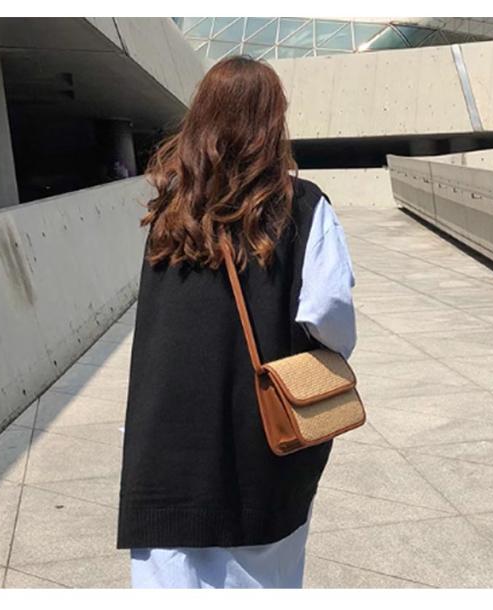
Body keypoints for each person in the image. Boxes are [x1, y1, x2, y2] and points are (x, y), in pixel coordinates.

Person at [117, 55, 357, 589]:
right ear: (272, 123)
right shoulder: (300, 204)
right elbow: (328, 313)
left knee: (168, 572)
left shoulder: (170, 208)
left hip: (166, 437)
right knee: (259, 574)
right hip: (262, 438)